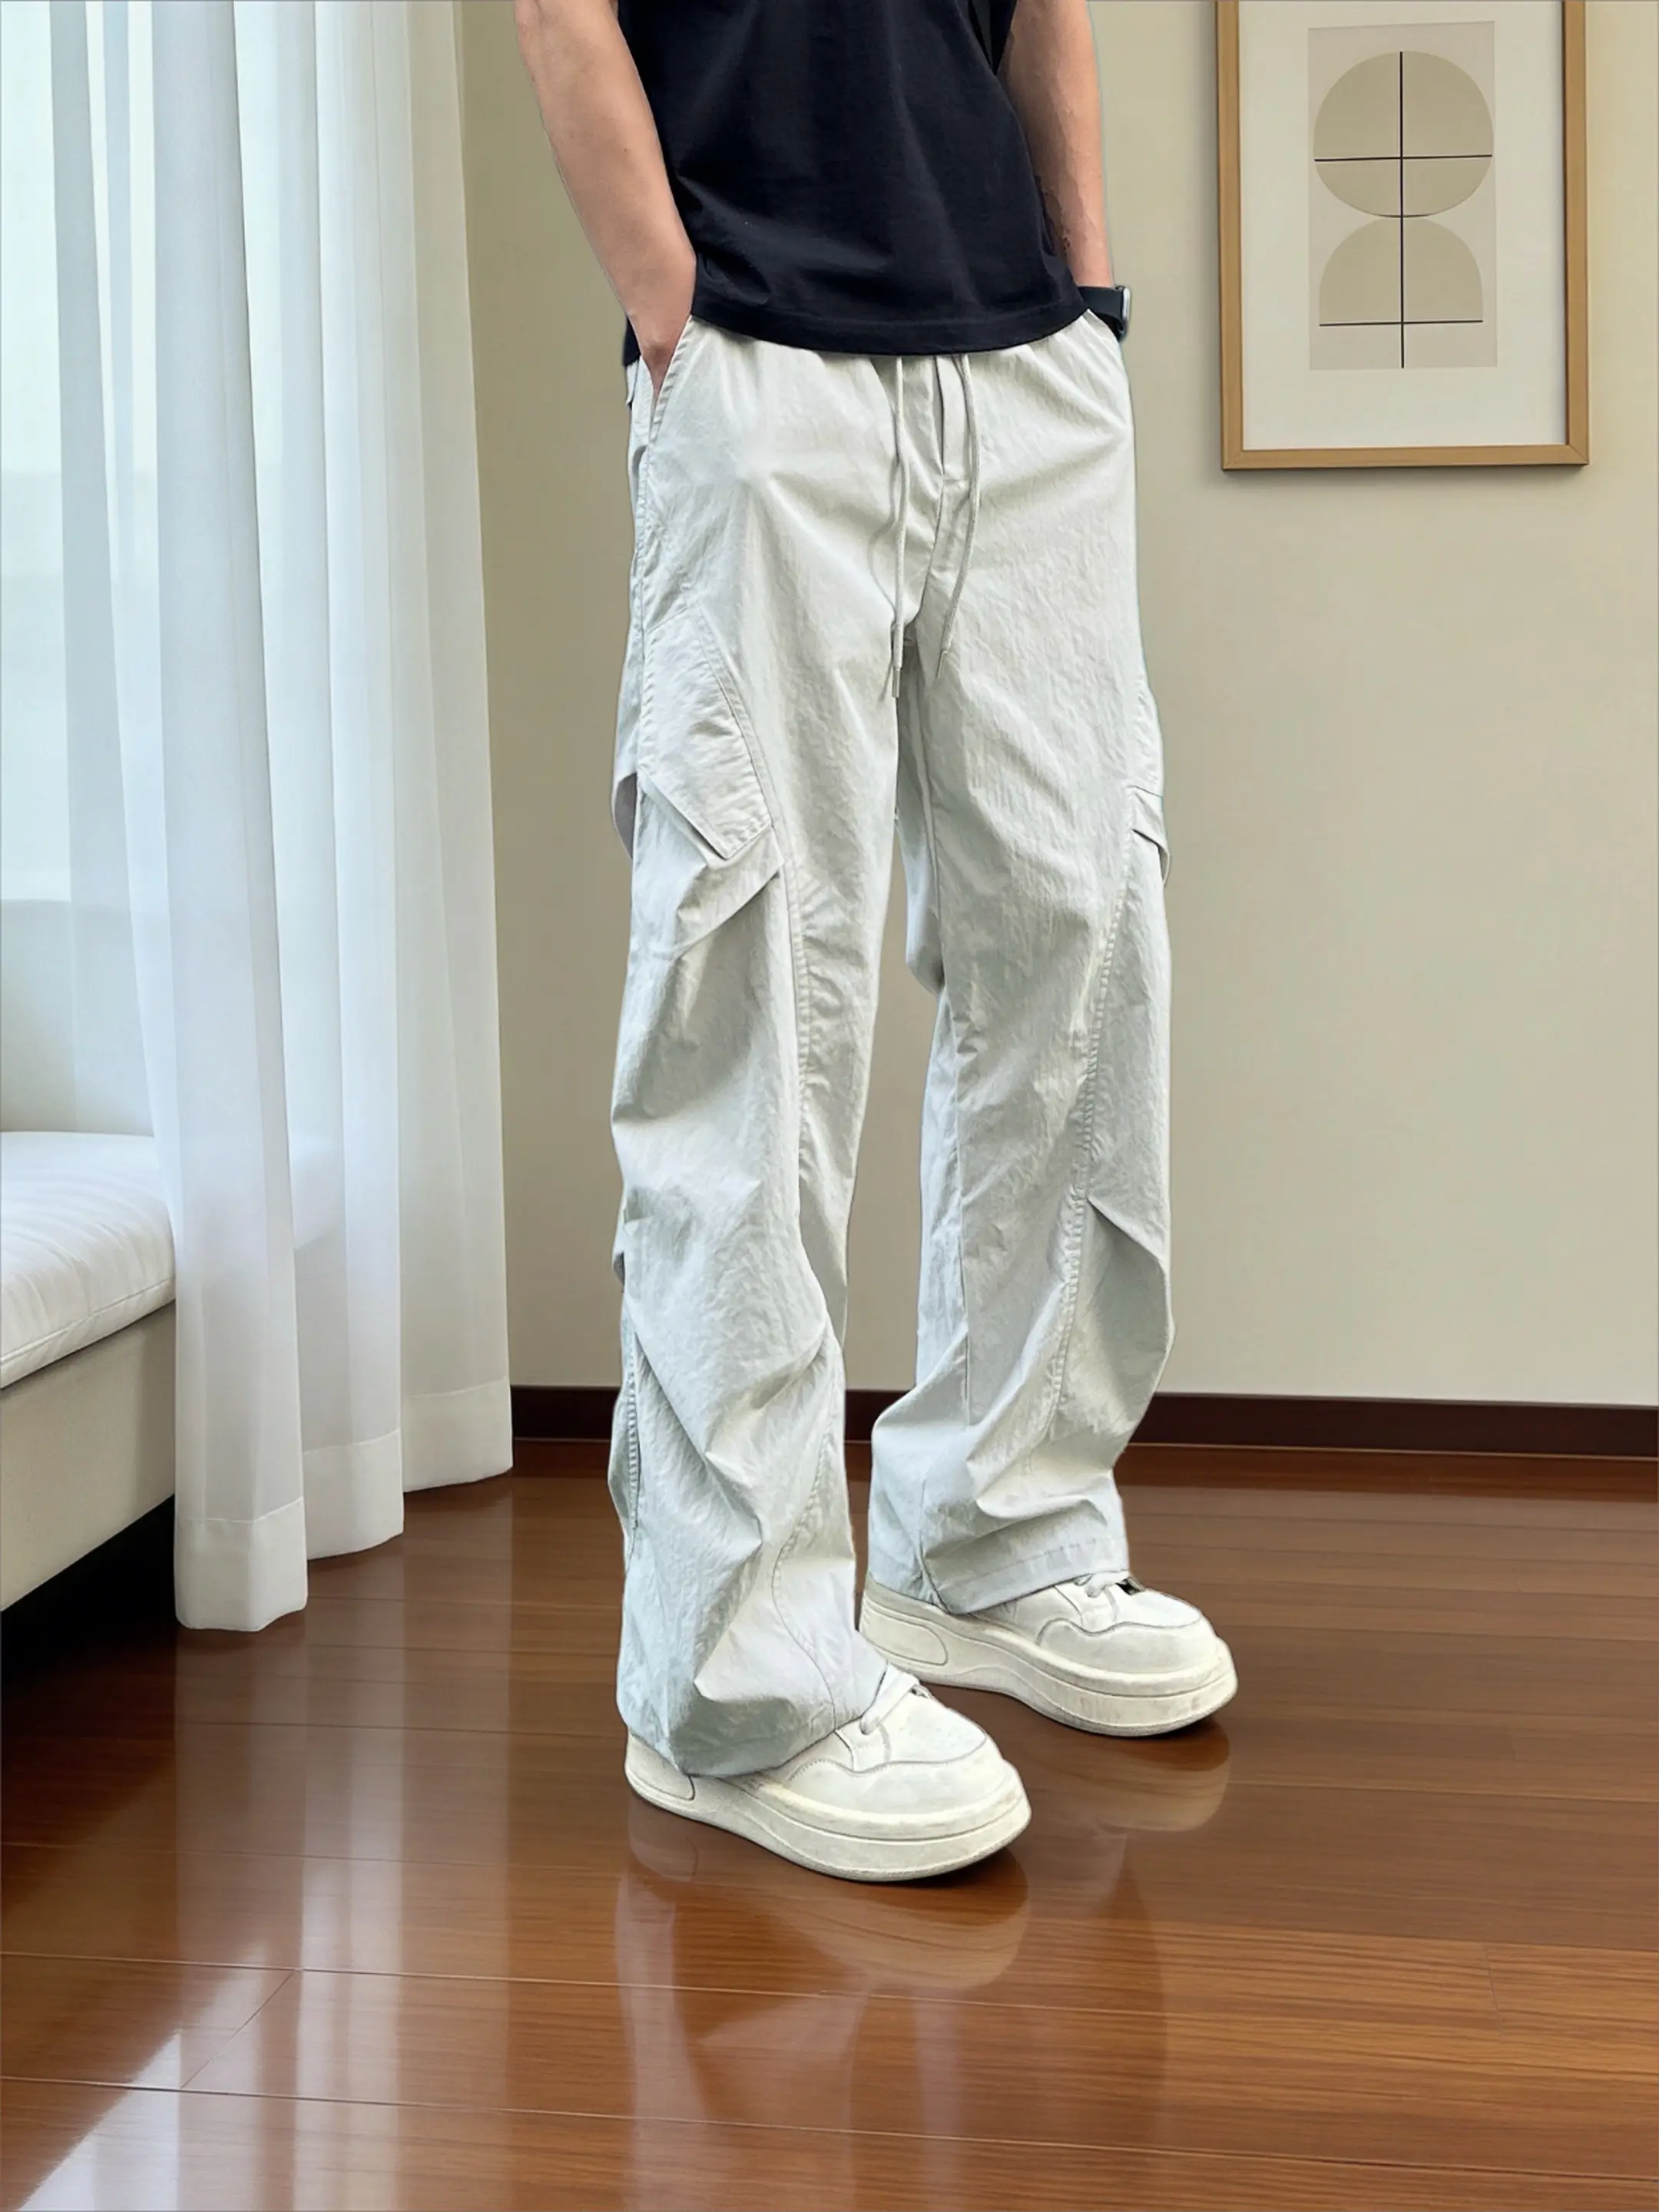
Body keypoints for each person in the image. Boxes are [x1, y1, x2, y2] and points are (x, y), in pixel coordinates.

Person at [515, 0, 1236, 1883]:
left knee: (1082, 940)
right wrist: (674, 316)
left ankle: (994, 1534)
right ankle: (733, 1683)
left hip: (1024, 362)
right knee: (754, 993)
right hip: (756, 352)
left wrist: (1085, 299)